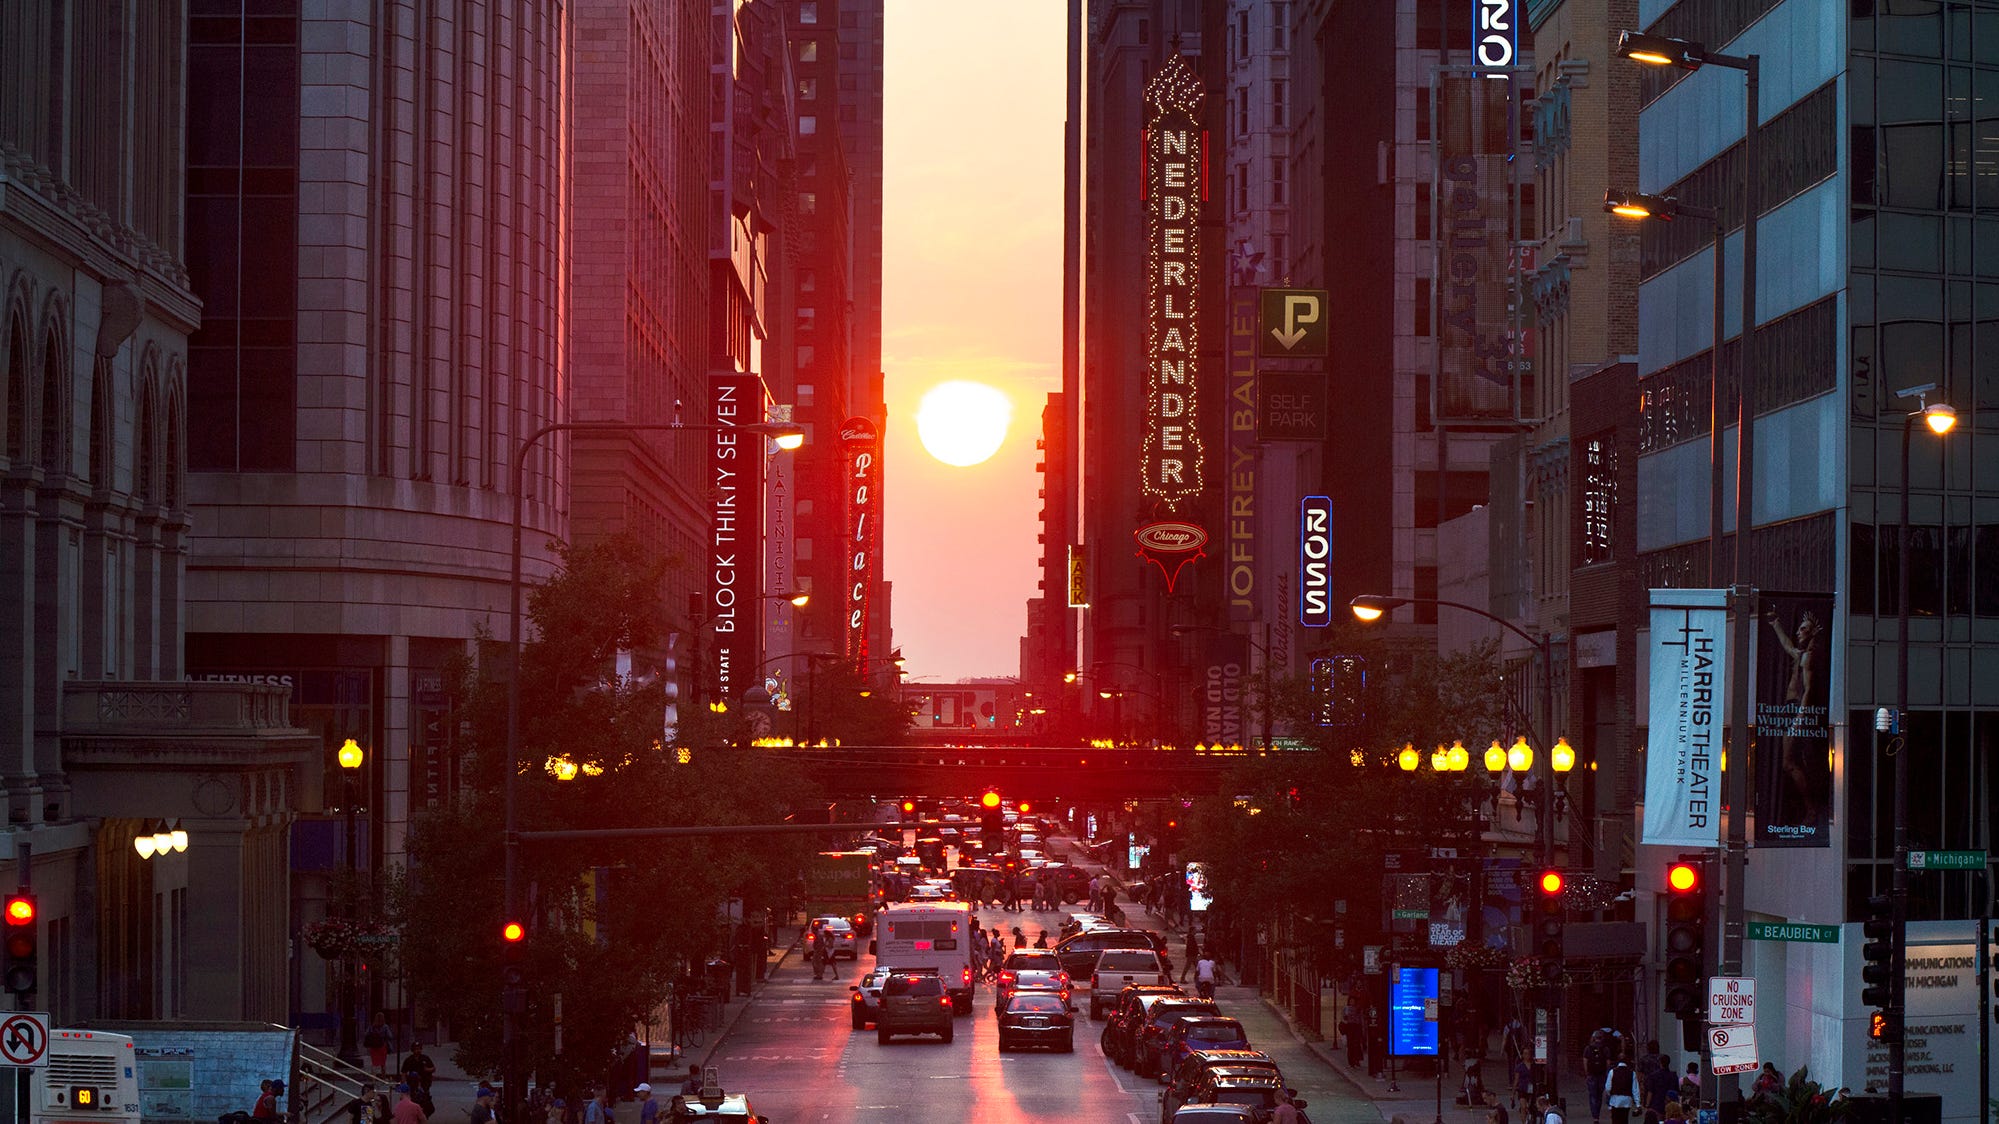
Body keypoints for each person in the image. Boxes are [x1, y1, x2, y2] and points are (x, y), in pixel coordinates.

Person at [1582, 1030, 1612, 1122]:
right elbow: (1608, 1063)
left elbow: (1585, 1061)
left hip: (1591, 1074)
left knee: (1592, 1095)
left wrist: (1587, 1073)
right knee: (1599, 1095)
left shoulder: (1588, 1048)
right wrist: (1606, 1073)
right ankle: (1597, 1113)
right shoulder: (1605, 1049)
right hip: (1601, 1074)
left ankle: (1595, 1116)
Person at [1605, 1054, 1638, 1124]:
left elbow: (1608, 1088)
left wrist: (1610, 1095)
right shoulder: (1632, 1073)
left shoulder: (1612, 1072)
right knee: (1624, 1119)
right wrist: (1638, 1104)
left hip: (1615, 1100)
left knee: (1615, 1120)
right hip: (1627, 1100)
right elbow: (1635, 1090)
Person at [364, 1013, 394, 1077]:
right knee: (383, 1064)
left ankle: (373, 1079)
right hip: (382, 1047)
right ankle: (383, 1078)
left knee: (374, 1064)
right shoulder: (385, 1027)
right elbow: (390, 1036)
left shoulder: (371, 1026)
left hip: (373, 1048)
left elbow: (366, 1034)